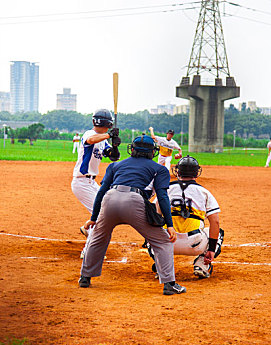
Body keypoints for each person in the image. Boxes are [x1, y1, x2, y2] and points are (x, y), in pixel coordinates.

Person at [78, 135, 187, 296]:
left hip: (110, 199)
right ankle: (169, 284)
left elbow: (101, 191)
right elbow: (163, 197)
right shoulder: (159, 169)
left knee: (98, 237)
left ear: (132, 149)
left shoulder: (115, 165)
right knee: (163, 241)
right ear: (152, 152)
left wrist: (94, 218)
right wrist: (169, 225)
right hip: (134, 201)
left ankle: (85, 278)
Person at [147, 155, 224, 279]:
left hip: (168, 242)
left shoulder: (166, 189)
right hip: (195, 244)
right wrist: (211, 249)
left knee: (151, 231)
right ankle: (201, 265)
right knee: (218, 232)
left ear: (177, 171)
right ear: (196, 173)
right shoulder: (204, 192)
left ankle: (161, 264)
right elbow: (215, 221)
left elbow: (153, 217)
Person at [71, 109, 121, 258]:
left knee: (107, 208)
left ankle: (88, 230)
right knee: (100, 214)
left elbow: (113, 157)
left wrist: (115, 146)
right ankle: (89, 252)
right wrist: (109, 135)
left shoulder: (103, 140)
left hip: (91, 182)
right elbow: (91, 141)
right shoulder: (89, 134)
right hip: (81, 181)